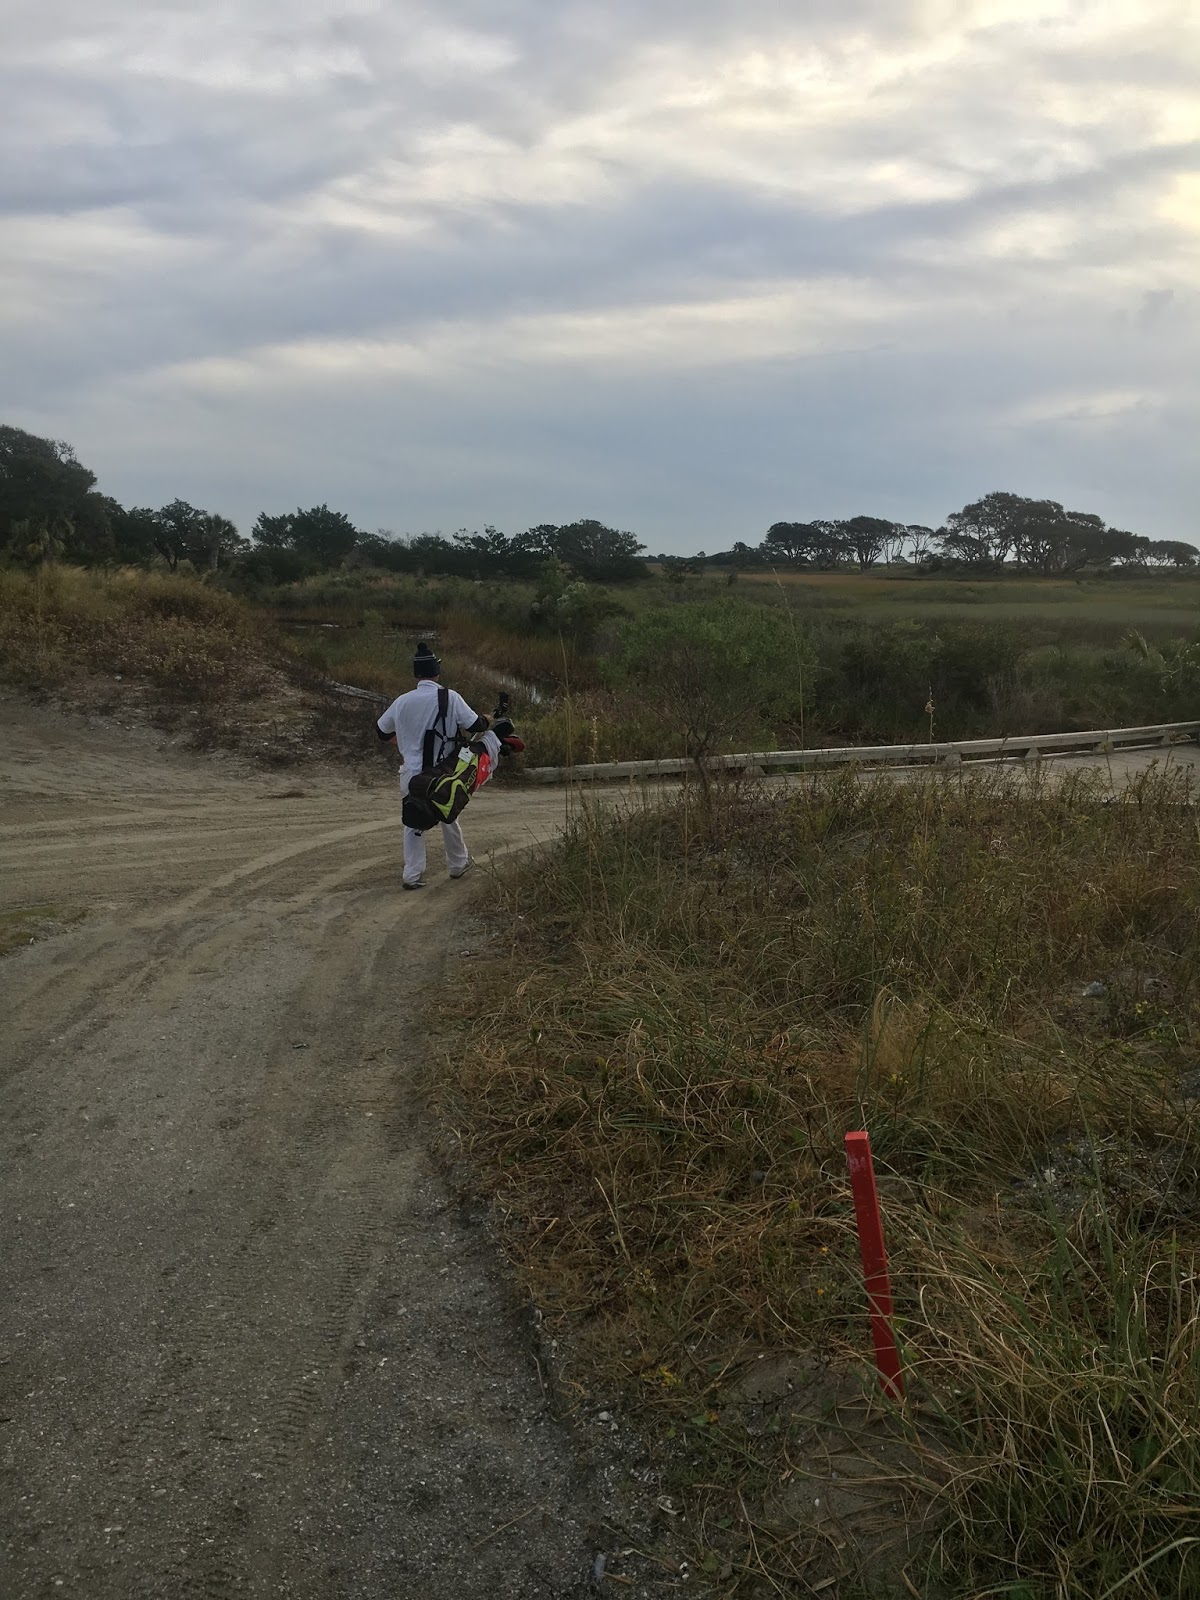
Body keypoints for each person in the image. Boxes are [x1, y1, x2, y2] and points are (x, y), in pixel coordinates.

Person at [376, 642, 488, 890]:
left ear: (416, 674)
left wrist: (401, 740)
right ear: (436, 672)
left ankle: (412, 875)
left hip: (411, 774)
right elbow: (475, 726)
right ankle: (458, 864)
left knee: (413, 821)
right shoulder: (450, 697)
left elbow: (381, 731)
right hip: (441, 773)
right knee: (448, 814)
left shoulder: (402, 701)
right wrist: (488, 719)